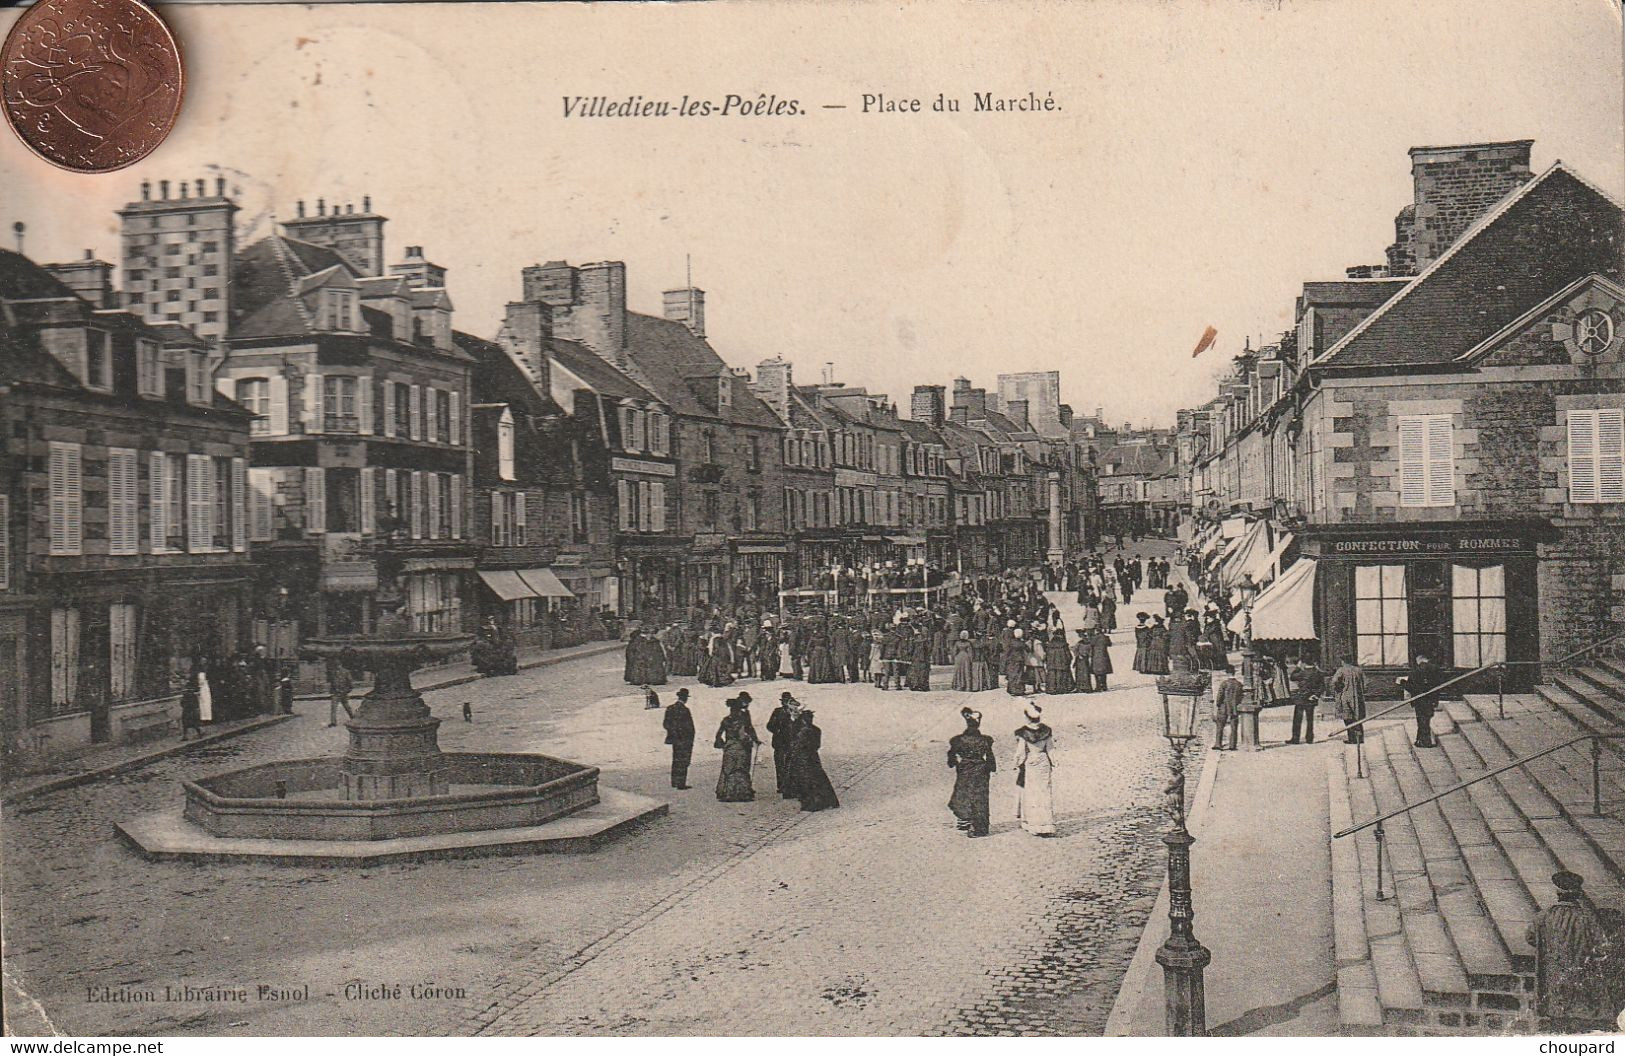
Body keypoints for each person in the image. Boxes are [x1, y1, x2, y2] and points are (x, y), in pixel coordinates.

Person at [947, 707, 997, 838]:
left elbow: (951, 757)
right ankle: (978, 826)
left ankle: (964, 820)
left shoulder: (958, 740)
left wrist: (956, 764)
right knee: (980, 798)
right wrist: (990, 768)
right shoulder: (986, 740)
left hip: (965, 769)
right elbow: (990, 757)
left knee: (963, 794)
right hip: (981, 770)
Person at [1013, 703, 1056, 836]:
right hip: (1043, 762)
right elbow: (1050, 749)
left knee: (1032, 793)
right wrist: (1054, 762)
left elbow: (1020, 752)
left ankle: (1033, 823)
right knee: (1044, 791)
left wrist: (1017, 763)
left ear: (1027, 718)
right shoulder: (1046, 731)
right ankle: (1046, 824)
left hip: (1031, 762)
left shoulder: (1024, 733)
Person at [714, 694, 760, 802]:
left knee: (728, 769)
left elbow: (718, 735)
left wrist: (723, 744)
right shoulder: (742, 719)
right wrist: (754, 740)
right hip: (741, 747)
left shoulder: (725, 720)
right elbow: (749, 730)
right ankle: (741, 793)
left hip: (729, 747)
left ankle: (726, 792)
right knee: (741, 769)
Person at [791, 710, 840, 812]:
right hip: (813, 756)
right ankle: (827, 801)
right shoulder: (817, 730)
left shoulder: (803, 731)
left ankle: (812, 803)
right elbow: (817, 745)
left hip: (803, 758)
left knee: (806, 780)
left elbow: (796, 745)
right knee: (819, 777)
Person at [1400, 654, 1445, 748]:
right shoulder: (1435, 670)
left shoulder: (1415, 671)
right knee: (1426, 719)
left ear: (1419, 660)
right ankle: (1419, 740)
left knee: (1421, 720)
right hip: (1430, 699)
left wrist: (1402, 683)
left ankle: (1425, 742)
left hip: (1419, 700)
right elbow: (1439, 685)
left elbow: (1411, 687)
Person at [766, 692, 802, 800]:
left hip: (791, 741)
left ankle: (791, 786)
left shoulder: (795, 711)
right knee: (780, 763)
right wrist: (776, 730)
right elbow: (769, 725)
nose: (785, 703)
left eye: (787, 701)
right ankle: (781, 785)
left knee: (791, 763)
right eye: (784, 701)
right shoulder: (777, 712)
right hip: (779, 742)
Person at [1287, 654, 1325, 745]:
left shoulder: (1302, 672)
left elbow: (1292, 677)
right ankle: (1309, 738)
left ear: (1303, 662)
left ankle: (1295, 739)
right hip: (1311, 698)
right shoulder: (1317, 672)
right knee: (1310, 719)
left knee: (1297, 719)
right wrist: (1316, 695)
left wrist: (1298, 667)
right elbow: (1322, 686)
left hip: (1301, 698)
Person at [1330, 655, 1369, 744]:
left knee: (1348, 718)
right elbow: (1366, 683)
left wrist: (1337, 690)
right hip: (1358, 697)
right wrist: (1361, 691)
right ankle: (1360, 738)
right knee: (1357, 717)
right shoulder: (1358, 670)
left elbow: (1334, 681)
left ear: (1343, 661)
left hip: (1345, 697)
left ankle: (1352, 739)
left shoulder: (1341, 670)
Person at [663, 688, 696, 789]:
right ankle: (681, 783)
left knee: (676, 759)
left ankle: (674, 782)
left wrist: (673, 732)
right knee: (683, 761)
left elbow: (665, 724)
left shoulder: (670, 708)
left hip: (674, 740)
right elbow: (690, 727)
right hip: (685, 739)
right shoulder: (685, 710)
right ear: (685, 698)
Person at [1213, 673, 1243, 751]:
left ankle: (1218, 744)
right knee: (1234, 727)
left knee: (1220, 725)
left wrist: (1218, 704)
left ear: (1227, 673)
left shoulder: (1224, 683)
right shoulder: (1239, 684)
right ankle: (1232, 745)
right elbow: (1241, 696)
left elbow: (1220, 695)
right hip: (1234, 708)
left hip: (1223, 706)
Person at [1044, 629, 1074, 694]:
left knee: (1052, 676)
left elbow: (1046, 655)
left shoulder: (1049, 645)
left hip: (1051, 664)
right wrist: (1069, 660)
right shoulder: (1064, 645)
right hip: (1062, 664)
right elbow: (1068, 655)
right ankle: (1062, 688)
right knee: (1062, 675)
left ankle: (1051, 689)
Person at [325, 658, 351, 728]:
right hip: (335, 693)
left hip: (343, 692)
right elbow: (332, 682)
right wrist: (332, 690)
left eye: (338, 665)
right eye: (336, 666)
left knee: (347, 707)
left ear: (341, 665)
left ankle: (353, 718)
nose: (337, 667)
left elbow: (350, 683)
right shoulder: (333, 672)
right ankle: (333, 722)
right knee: (333, 707)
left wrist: (347, 690)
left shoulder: (346, 672)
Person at [1087, 627, 1113, 692]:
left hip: (1095, 655)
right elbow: (1110, 644)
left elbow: (1090, 644)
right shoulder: (1105, 637)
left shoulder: (1093, 638)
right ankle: (1104, 685)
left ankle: (1098, 686)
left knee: (1096, 671)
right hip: (1104, 655)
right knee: (1104, 671)